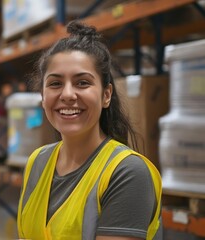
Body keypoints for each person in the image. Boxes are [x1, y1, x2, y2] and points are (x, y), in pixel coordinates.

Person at [17, 21, 162, 240]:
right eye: (55, 84)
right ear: (43, 96)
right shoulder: (38, 161)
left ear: (106, 95)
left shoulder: (127, 172)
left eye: (82, 83)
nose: (67, 94)